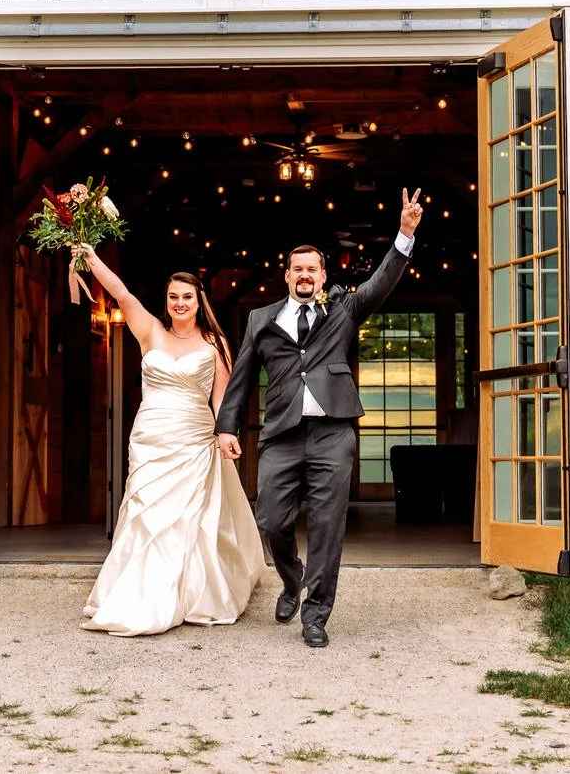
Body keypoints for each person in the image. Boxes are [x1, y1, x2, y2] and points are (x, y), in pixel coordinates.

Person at [215, 187, 424, 648]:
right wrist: (227, 426)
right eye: (298, 269)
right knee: (270, 519)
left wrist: (403, 235)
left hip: (333, 434)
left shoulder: (344, 307)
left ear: (323, 275)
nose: (305, 275)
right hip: (282, 435)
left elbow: (382, 283)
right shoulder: (260, 319)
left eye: (313, 269)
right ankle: (292, 580)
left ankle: (316, 614)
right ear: (286, 276)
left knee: (328, 525)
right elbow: (243, 378)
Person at [75, 244, 264, 636]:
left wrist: (224, 432)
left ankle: (191, 594)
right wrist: (92, 260)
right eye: (173, 297)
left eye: (187, 297)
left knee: (190, 519)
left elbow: (222, 398)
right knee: (146, 512)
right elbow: (122, 293)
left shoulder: (214, 344)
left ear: (199, 301)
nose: (180, 303)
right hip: (151, 438)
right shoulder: (150, 331)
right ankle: (139, 595)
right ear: (166, 301)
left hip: (194, 439)